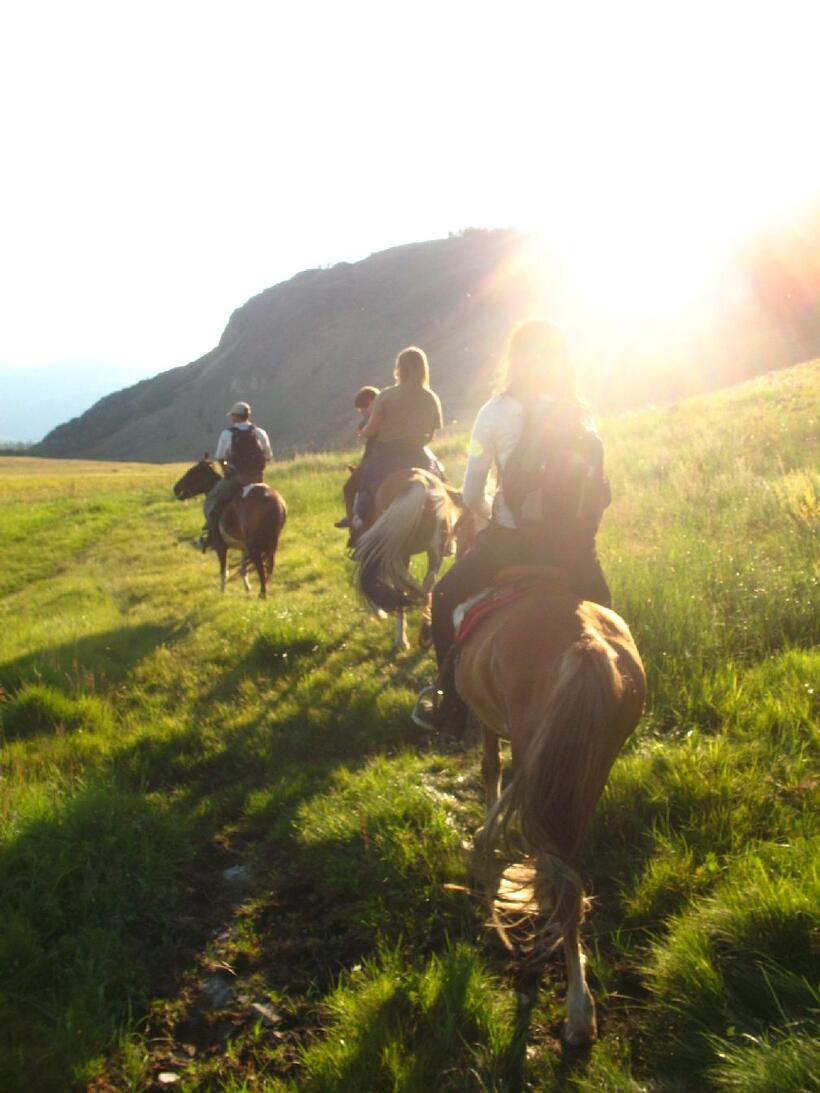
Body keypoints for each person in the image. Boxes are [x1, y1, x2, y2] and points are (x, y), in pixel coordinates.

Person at [413, 319, 611, 732]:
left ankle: (449, 707)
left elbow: (469, 493)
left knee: (446, 595)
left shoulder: (494, 412)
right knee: (608, 618)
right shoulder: (579, 411)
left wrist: (493, 513)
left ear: (513, 361)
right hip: (571, 552)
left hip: (509, 544)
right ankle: (618, 698)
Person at [352, 346, 444, 529]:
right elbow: (431, 435)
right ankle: (447, 535)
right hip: (419, 454)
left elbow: (372, 429)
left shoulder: (386, 395)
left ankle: (359, 528)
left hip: (386, 455)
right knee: (443, 486)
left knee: (361, 489)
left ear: (399, 369)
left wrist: (362, 433)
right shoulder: (431, 397)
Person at [198, 400, 273, 551]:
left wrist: (226, 470)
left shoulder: (228, 433)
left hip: (237, 479)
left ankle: (211, 534)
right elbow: (268, 456)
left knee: (213, 498)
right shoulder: (260, 432)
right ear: (248, 415)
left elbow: (220, 456)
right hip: (258, 479)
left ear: (235, 416)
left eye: (232, 416)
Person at [334, 385, 380, 529]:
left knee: (348, 488)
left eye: (363, 408)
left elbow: (361, 429)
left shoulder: (375, 415)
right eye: (360, 410)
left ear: (373, 401)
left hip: (376, 458)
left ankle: (352, 520)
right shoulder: (389, 411)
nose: (362, 413)